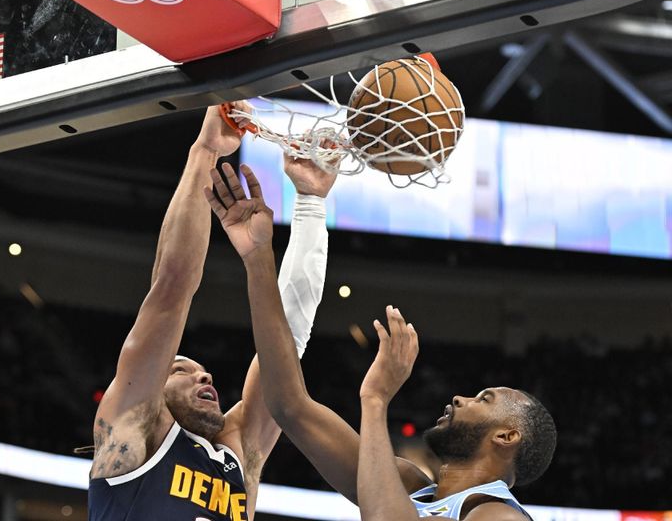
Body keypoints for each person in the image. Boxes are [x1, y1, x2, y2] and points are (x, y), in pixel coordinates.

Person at [206, 163, 557, 521]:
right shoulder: (407, 483)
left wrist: (375, 399)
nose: (460, 398)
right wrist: (261, 254)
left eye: (485, 399)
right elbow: (287, 404)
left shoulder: (500, 516)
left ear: (507, 436)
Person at [87, 102, 337, 521]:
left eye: (197, 369)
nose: (204, 374)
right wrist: (205, 152)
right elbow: (171, 293)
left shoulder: (238, 451)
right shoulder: (131, 432)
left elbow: (285, 342)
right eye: (180, 369)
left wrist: (310, 201)